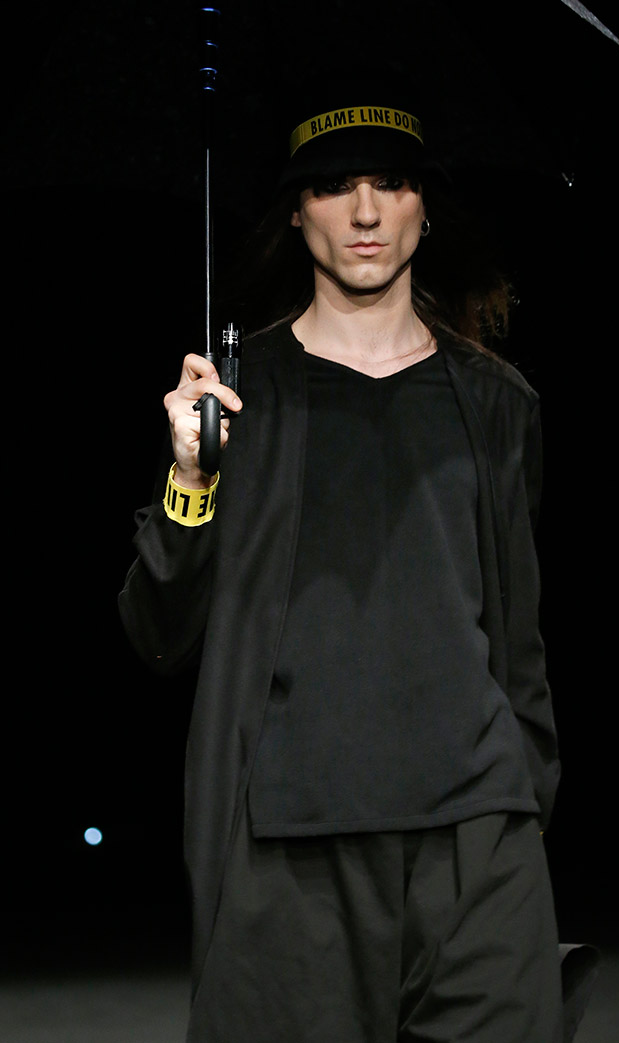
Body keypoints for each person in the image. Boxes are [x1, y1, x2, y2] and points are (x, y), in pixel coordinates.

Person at [120, 83, 564, 1042]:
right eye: (333, 185)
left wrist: (525, 801)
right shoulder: (234, 407)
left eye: (391, 183)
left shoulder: (496, 403)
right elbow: (158, 634)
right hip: (291, 851)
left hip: (478, 843)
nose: (366, 212)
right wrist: (190, 478)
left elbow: (518, 637)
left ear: (424, 206)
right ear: (296, 210)